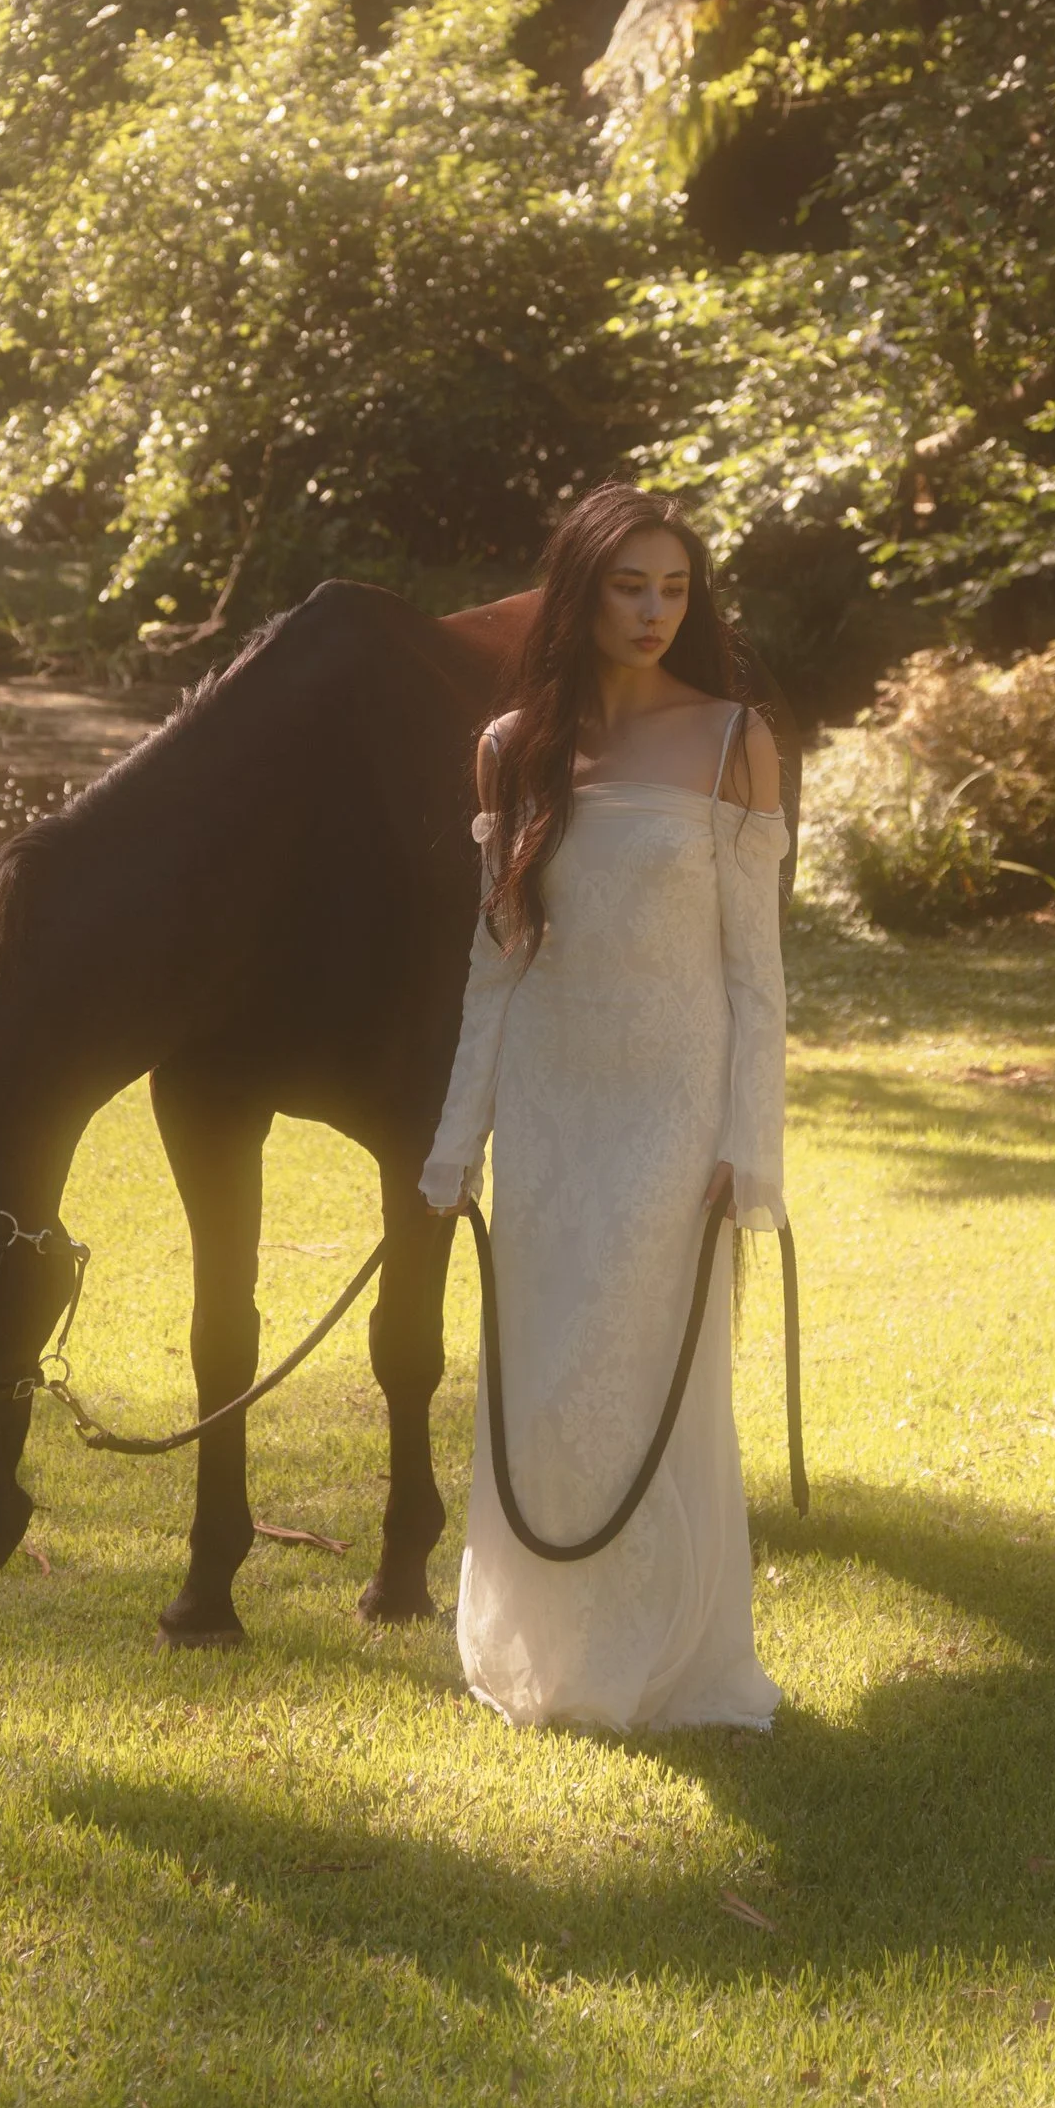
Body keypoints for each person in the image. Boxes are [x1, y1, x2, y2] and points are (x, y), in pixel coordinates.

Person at [418, 484, 788, 1733]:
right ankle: (549, 1657)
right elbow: (496, 961)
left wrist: (752, 1139)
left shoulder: (734, 735)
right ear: (579, 594)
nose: (652, 611)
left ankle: (668, 1663)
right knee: (545, 1371)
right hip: (549, 1107)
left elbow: (756, 973)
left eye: (673, 587)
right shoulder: (509, 745)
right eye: (629, 585)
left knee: (640, 1369)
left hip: (675, 1105)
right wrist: (453, 1143)